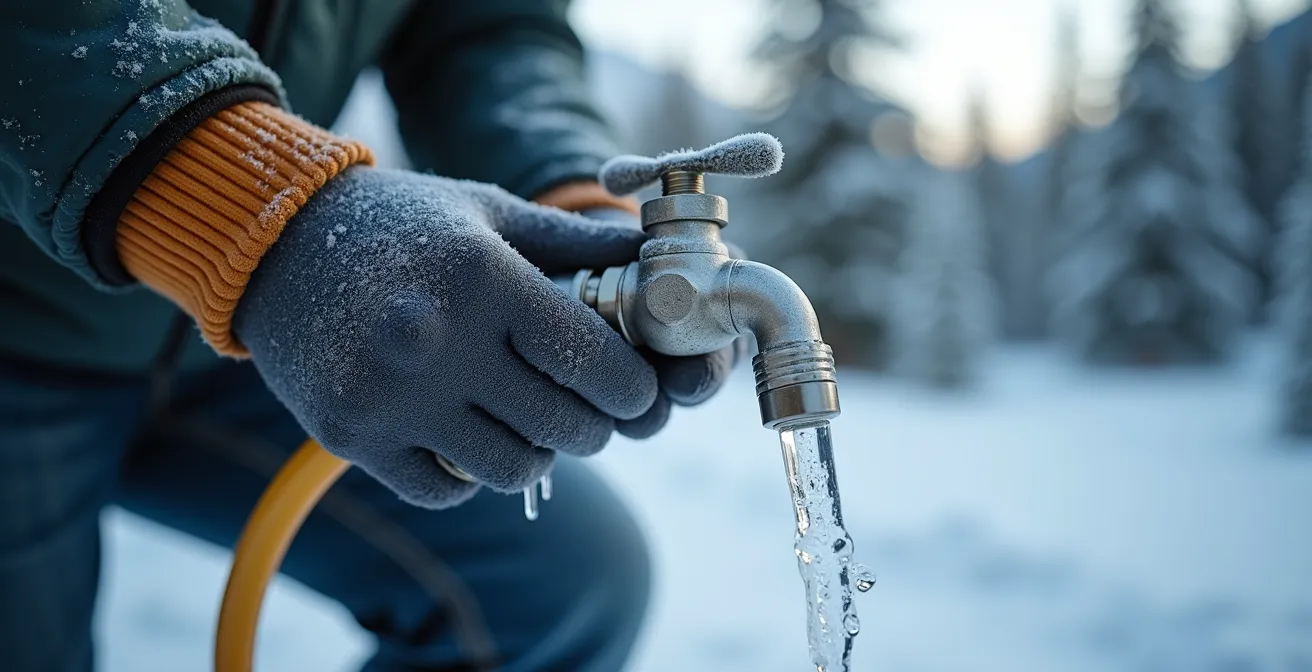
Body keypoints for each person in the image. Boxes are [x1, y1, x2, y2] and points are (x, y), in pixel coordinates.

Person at [0, 1, 739, 670]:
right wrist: (259, 214)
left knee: (564, 587)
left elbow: (484, 26)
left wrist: (570, 201)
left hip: (260, 340)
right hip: (26, 318)